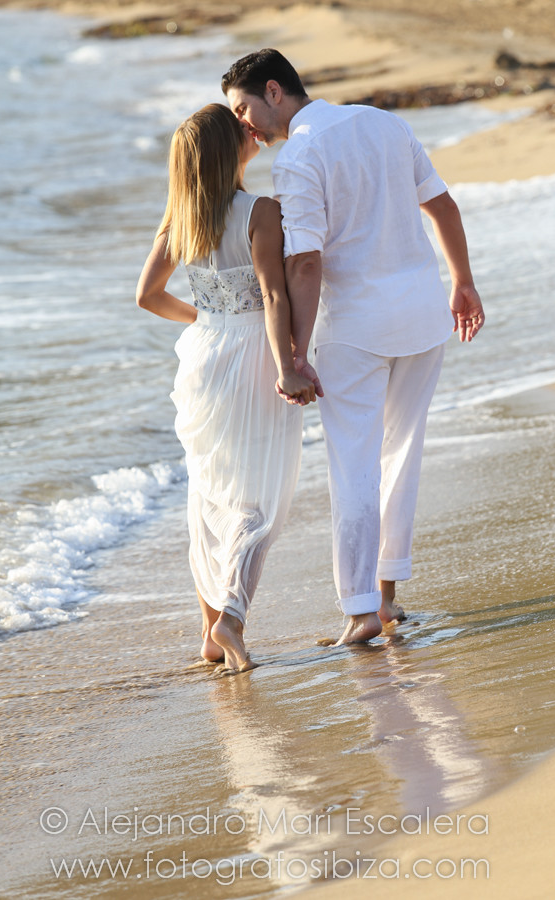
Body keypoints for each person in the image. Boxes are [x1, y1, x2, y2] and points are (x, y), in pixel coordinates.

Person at [222, 49, 485, 645]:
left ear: (273, 90)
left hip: (356, 330)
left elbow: (306, 262)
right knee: (402, 454)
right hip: (422, 316)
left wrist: (296, 353)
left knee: (354, 466)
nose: (243, 124)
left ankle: (361, 611)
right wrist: (463, 282)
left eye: (242, 108)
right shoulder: (383, 122)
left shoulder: (299, 154)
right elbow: (441, 205)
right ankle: (385, 597)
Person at [136, 103, 316, 672]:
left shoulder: (181, 219)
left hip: (203, 356)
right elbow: (274, 295)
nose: (249, 129)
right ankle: (232, 618)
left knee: (211, 496)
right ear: (224, 151)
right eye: (238, 129)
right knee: (261, 499)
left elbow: (147, 296)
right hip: (253, 356)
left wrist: (206, 318)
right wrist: (287, 366)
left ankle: (210, 633)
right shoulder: (260, 211)